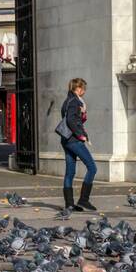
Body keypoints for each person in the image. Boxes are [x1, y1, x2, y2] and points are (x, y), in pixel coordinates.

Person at [58, 77, 96, 212]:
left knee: (70, 172)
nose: (84, 91)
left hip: (66, 140)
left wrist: (81, 116)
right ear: (78, 88)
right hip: (74, 140)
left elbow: (73, 119)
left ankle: (69, 204)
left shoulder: (67, 101)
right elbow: (71, 120)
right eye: (83, 88)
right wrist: (81, 134)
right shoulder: (74, 101)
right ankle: (84, 200)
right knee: (92, 167)